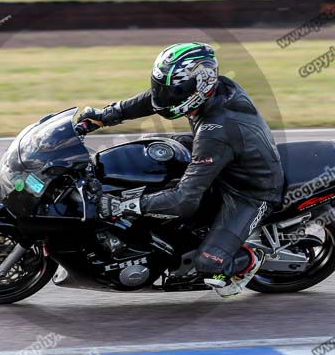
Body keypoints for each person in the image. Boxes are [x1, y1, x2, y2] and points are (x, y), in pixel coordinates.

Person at [78, 42, 284, 297]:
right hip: (224, 162)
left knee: (209, 266)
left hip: (250, 191)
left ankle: (250, 259)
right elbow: (152, 102)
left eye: (172, 92)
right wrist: (104, 116)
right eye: (161, 88)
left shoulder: (217, 131)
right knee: (152, 152)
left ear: (199, 87)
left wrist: (122, 205)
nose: (164, 97)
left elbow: (183, 201)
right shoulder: (209, 91)